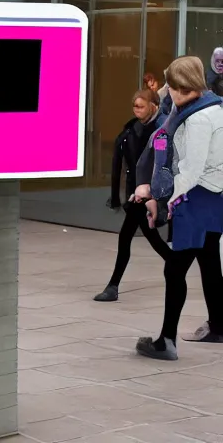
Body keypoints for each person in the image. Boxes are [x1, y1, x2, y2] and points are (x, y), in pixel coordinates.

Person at [135, 56, 223, 361]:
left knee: (175, 269)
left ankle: (166, 342)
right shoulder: (212, 106)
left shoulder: (197, 118)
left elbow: (191, 170)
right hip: (213, 196)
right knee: (210, 259)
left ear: (177, 85)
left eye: (169, 83)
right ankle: (219, 326)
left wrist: (165, 202)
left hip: (195, 197)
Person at [94, 90, 171, 302]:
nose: (136, 110)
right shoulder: (132, 129)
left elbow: (162, 162)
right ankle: (175, 265)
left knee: (131, 236)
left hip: (149, 193)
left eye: (141, 106)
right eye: (134, 106)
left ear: (153, 106)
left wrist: (154, 191)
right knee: (149, 237)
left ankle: (113, 286)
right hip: (137, 193)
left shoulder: (161, 127)